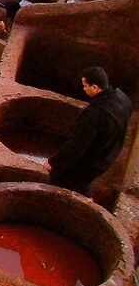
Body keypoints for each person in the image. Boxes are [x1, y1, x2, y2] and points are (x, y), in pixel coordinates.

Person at [49, 67, 132, 196]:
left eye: (85, 86)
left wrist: (54, 162)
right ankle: (86, 196)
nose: (84, 89)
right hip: (108, 154)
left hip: (93, 159)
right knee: (83, 181)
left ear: (95, 87)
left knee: (63, 178)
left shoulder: (96, 114)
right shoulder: (123, 98)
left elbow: (77, 145)